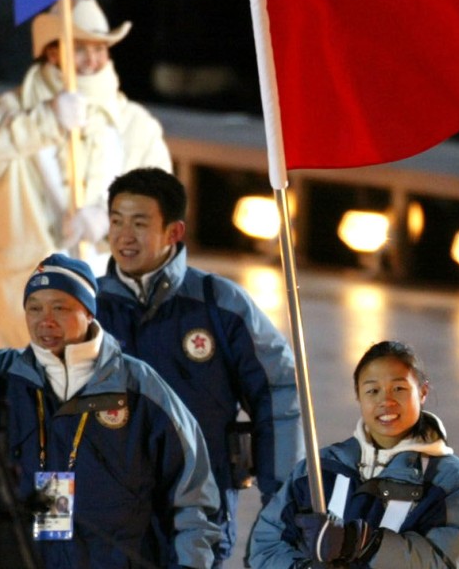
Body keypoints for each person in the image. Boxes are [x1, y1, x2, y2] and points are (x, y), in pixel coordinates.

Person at [0, 253, 219, 568]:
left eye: (59, 308)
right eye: (34, 308)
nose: (44, 320)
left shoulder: (140, 388)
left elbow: (194, 499)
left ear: (89, 311)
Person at [94, 167, 304, 566]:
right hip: (106, 509)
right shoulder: (86, 308)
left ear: (174, 232)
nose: (124, 235)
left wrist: (283, 499)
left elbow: (278, 392)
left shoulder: (219, 305)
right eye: (116, 221)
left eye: (139, 223)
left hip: (196, 511)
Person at [0, 0, 173, 349]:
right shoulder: (11, 110)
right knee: (27, 393)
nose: (92, 59)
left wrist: (109, 221)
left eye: (100, 47)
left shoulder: (134, 124)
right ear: (54, 53)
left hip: (107, 294)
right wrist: (45, 120)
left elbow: (162, 203)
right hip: (28, 292)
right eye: (80, 48)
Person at [249, 340, 459, 568]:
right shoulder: (320, 468)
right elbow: (266, 546)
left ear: (422, 392)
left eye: (399, 388)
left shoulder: (452, 481)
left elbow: (444, 560)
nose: (386, 401)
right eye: (372, 390)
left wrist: (360, 543)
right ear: (358, 396)